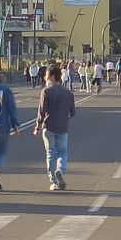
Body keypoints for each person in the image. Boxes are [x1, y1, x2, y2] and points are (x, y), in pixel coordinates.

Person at [38, 62, 77, 190]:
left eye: (48, 76)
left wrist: (37, 126)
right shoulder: (69, 93)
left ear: (53, 77)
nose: (46, 78)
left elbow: (42, 111)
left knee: (50, 153)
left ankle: (54, 182)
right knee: (63, 152)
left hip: (48, 127)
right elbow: (72, 113)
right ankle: (60, 170)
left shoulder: (46, 92)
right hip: (63, 127)